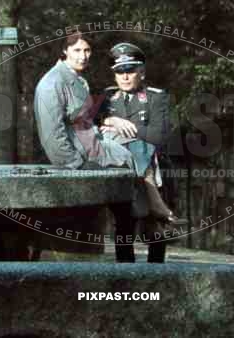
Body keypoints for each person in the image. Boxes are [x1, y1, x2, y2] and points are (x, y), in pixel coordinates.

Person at [34, 33, 138, 263]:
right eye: (77, 51)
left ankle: (130, 262)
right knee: (125, 199)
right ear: (65, 52)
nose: (83, 56)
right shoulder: (53, 82)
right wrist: (77, 166)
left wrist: (112, 123)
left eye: (87, 51)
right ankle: (127, 262)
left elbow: (85, 119)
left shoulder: (76, 79)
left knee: (137, 157)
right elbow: (52, 135)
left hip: (96, 150)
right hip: (81, 161)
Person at [98, 42, 184, 263]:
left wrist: (124, 130)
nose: (125, 77)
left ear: (142, 72)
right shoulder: (107, 98)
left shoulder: (156, 97)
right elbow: (88, 124)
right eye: (119, 72)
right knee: (124, 224)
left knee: (155, 231)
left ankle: (156, 276)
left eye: (130, 71)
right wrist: (109, 119)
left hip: (155, 169)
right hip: (123, 172)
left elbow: (159, 136)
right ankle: (125, 279)